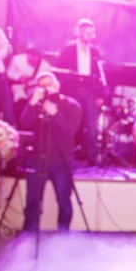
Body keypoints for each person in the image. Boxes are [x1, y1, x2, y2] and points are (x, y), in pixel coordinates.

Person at [19, 72, 82, 231]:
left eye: (49, 84)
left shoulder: (71, 105)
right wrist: (32, 104)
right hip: (37, 158)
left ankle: (62, 238)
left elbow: (70, 131)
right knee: (32, 200)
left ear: (57, 85)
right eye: (42, 85)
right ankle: (29, 237)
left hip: (61, 160)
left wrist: (56, 114)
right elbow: (24, 124)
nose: (46, 88)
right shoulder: (36, 104)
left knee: (63, 201)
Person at [56, 18, 104, 165]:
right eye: (88, 33)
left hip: (89, 91)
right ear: (79, 32)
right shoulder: (68, 50)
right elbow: (59, 72)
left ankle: (91, 158)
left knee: (92, 126)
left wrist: (100, 95)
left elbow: (101, 75)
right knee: (71, 124)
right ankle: (67, 156)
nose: (91, 36)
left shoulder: (95, 52)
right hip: (72, 90)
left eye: (92, 33)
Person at [7, 47, 51, 122]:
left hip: (35, 88)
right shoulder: (17, 60)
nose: (31, 63)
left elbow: (46, 81)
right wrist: (19, 77)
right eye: (30, 60)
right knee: (19, 99)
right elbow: (9, 73)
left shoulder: (45, 67)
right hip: (19, 87)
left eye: (34, 61)